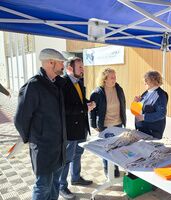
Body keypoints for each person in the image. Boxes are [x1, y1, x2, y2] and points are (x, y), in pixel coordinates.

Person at [14, 48, 67, 200]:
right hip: (43, 149)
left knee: (55, 185)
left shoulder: (57, 84)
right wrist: (32, 140)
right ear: (51, 62)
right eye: (61, 62)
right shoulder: (33, 85)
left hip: (59, 147)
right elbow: (20, 119)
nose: (63, 65)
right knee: (43, 187)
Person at [59, 57, 95, 199]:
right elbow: (64, 108)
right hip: (70, 130)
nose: (82, 69)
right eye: (79, 67)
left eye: (82, 67)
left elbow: (80, 101)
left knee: (78, 154)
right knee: (67, 159)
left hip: (81, 127)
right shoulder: (63, 84)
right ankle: (62, 187)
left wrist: (89, 103)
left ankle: (76, 178)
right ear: (69, 68)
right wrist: (83, 108)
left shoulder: (79, 82)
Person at [89, 68, 126, 177]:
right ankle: (107, 170)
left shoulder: (119, 89)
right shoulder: (97, 92)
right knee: (106, 149)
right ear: (104, 79)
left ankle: (115, 168)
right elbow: (92, 111)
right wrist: (93, 124)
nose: (115, 79)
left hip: (118, 124)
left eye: (115, 77)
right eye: (112, 77)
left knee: (117, 148)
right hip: (105, 125)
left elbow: (123, 104)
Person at [134, 70, 168, 139]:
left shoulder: (160, 95)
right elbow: (138, 110)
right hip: (142, 130)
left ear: (154, 80)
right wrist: (135, 103)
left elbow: (161, 114)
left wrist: (144, 117)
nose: (144, 82)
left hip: (152, 133)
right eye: (144, 80)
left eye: (146, 80)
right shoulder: (146, 92)